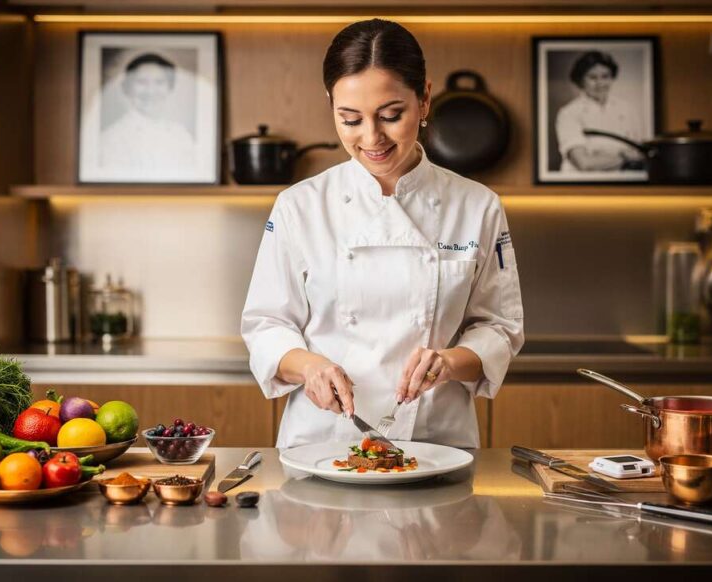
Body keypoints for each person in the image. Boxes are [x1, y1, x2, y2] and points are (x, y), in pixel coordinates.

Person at [241, 19, 524, 449]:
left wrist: (448, 362)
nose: (372, 137)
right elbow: (267, 325)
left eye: (392, 116)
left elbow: (499, 327)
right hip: (323, 441)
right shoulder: (300, 206)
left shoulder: (477, 205)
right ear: (331, 104)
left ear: (425, 99)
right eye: (350, 119)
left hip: (437, 443)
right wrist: (309, 367)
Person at [100, 52, 200, 180]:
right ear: (127, 88)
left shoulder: (181, 134)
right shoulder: (111, 139)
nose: (151, 91)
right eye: (142, 82)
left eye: (159, 82)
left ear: (170, 88)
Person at [554, 51, 646, 173]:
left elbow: (641, 155)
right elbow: (584, 163)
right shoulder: (568, 113)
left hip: (622, 182)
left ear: (612, 78)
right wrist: (624, 157)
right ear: (581, 80)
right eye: (592, 77)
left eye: (605, 76)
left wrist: (604, 158)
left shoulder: (628, 109)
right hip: (581, 184)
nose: (600, 83)